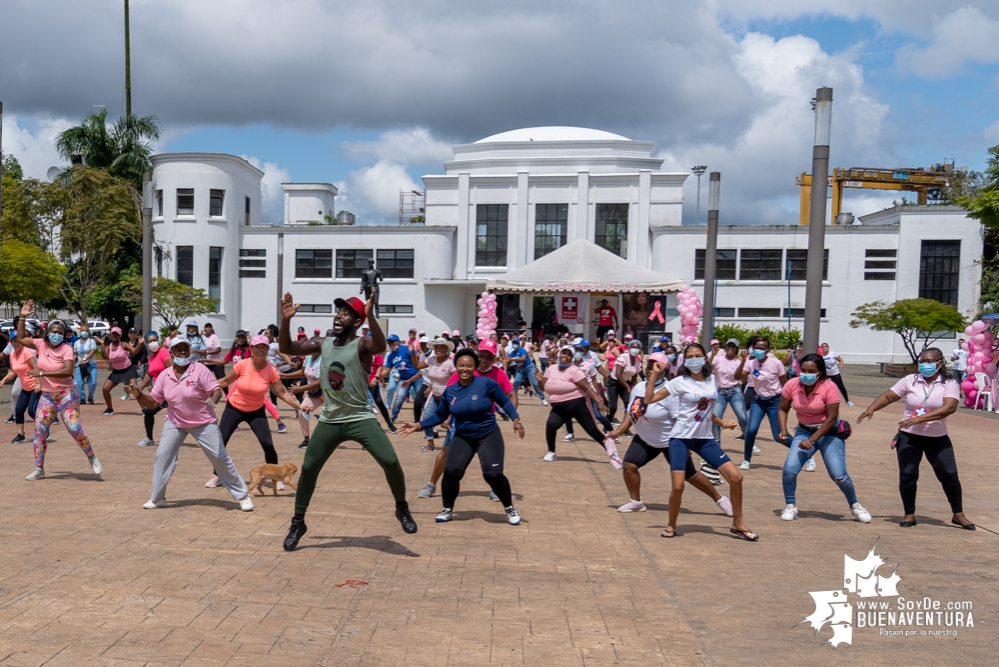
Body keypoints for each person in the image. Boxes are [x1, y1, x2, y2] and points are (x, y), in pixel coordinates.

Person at [278, 289, 418, 551]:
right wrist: (286, 319)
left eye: (347, 313)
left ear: (357, 322)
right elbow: (286, 347)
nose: (339, 315)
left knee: (390, 461)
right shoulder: (323, 344)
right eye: (339, 311)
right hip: (330, 420)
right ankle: (298, 522)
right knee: (308, 469)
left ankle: (402, 507)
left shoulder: (362, 345)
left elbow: (379, 346)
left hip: (360, 418)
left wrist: (370, 314)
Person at [643, 343, 757, 540]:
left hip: (705, 440)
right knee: (678, 486)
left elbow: (706, 408)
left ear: (705, 358)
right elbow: (649, 400)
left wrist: (722, 424)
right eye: (689, 356)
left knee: (736, 478)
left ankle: (737, 523)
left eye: (698, 355)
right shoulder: (679, 382)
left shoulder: (712, 379)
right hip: (680, 439)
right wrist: (654, 375)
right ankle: (671, 524)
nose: (694, 359)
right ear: (685, 360)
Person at [399, 349, 525, 525]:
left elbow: (504, 401)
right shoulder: (451, 390)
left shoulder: (486, 383)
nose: (465, 369)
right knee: (451, 472)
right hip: (463, 436)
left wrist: (516, 419)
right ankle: (447, 509)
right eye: (461, 365)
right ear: (455, 367)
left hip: (488, 435)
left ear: (474, 367)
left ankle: (509, 507)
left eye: (469, 366)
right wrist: (418, 425)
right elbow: (440, 416)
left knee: (493, 475)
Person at [130, 338, 254, 511]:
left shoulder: (200, 370)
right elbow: (153, 403)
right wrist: (138, 394)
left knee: (219, 457)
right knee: (163, 456)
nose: (182, 352)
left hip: (203, 421)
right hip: (176, 422)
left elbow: (216, 390)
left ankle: (243, 495)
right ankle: (158, 499)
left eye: (185, 349)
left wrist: (213, 398)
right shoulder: (165, 375)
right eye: (178, 349)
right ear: (171, 352)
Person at [857, 347, 973, 530]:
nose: (925, 365)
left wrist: (918, 419)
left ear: (939, 363)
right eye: (922, 361)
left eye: (929, 361)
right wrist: (871, 408)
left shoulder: (949, 382)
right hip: (910, 436)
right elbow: (889, 396)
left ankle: (958, 514)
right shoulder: (911, 380)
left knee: (949, 475)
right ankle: (909, 513)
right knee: (908, 474)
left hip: (937, 437)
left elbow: (949, 408)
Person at [612, 352, 734, 517]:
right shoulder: (640, 387)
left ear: (663, 369)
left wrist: (685, 443)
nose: (650, 369)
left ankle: (720, 499)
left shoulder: (671, 390)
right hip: (645, 438)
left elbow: (684, 417)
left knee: (690, 475)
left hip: (671, 440)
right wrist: (619, 431)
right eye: (648, 365)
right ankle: (636, 502)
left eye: (655, 366)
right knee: (629, 465)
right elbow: (632, 411)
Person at [777, 354, 871, 523]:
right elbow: (783, 409)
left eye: (811, 371)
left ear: (819, 372)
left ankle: (855, 505)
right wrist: (783, 429)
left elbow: (832, 418)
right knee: (789, 470)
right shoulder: (792, 384)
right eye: (803, 370)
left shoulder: (829, 387)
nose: (806, 374)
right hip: (804, 431)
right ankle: (790, 506)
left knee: (838, 475)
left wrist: (812, 440)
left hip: (829, 433)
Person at [417, 339, 516, 500]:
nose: (484, 360)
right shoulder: (466, 369)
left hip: (485, 424)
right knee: (446, 452)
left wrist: (514, 416)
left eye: (488, 357)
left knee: (490, 458)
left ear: (494, 359)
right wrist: (447, 417)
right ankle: (432, 484)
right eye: (481, 356)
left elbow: (510, 395)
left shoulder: (498, 374)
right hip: (459, 421)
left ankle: (495, 487)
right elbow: (449, 394)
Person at [15, 302, 102, 481]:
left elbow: (67, 371)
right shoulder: (40, 344)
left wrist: (42, 373)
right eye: (53, 332)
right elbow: (21, 337)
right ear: (47, 332)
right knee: (40, 430)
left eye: (60, 333)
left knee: (74, 428)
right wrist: (22, 317)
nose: (56, 335)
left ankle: (92, 457)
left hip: (66, 395)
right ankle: (39, 468)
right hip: (47, 396)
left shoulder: (67, 349)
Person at [212, 335, 305, 489]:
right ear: (252, 349)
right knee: (221, 441)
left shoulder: (271, 371)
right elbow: (224, 381)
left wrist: (298, 406)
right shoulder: (242, 365)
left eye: (264, 347)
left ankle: (277, 478)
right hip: (234, 408)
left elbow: (282, 393)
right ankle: (217, 475)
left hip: (256, 411)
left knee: (268, 444)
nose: (260, 350)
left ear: (268, 350)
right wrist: (203, 388)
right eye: (257, 347)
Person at [535, 345, 612, 462]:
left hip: (577, 405)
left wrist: (599, 402)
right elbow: (543, 388)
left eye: (569, 354)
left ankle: (612, 453)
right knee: (551, 425)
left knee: (593, 431)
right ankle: (552, 452)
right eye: (563, 353)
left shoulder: (575, 370)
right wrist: (540, 381)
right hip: (559, 408)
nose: (565, 356)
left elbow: (588, 388)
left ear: (571, 358)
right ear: (559, 354)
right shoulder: (551, 369)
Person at [738, 336, 788, 470]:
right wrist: (742, 362)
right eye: (756, 348)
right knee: (751, 430)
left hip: (775, 401)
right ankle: (746, 460)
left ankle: (805, 449)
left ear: (767, 350)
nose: (758, 350)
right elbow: (738, 377)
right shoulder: (751, 362)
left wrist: (787, 402)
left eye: (762, 348)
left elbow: (785, 384)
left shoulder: (775, 363)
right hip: (758, 400)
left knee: (778, 436)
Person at [413, 337, 456, 451]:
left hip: (447, 398)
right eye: (437, 347)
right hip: (435, 396)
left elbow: (456, 380)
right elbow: (417, 365)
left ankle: (450, 445)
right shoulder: (431, 360)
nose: (439, 349)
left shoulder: (450, 363)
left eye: (442, 347)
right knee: (427, 417)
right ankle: (430, 443)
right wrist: (412, 352)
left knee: (448, 423)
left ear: (447, 349)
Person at [281, 340, 324, 449]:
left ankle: (363, 438)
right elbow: (303, 373)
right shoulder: (308, 358)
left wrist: (300, 388)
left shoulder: (323, 360)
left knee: (342, 418)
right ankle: (307, 439)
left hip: (327, 393)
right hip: (313, 394)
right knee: (302, 412)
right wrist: (285, 376)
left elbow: (319, 382)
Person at [0, 333, 39, 443]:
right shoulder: (12, 355)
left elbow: (36, 367)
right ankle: (21, 435)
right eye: (14, 341)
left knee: (32, 411)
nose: (16, 343)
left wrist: (37, 384)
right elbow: (13, 372)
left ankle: (44, 429)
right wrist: (3, 380)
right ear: (11, 343)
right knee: (19, 410)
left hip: (35, 387)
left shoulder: (27, 352)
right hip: (25, 387)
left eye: (18, 341)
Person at [136, 332, 172, 447]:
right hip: (161, 393)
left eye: (154, 339)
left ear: (159, 340)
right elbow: (149, 374)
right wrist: (140, 388)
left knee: (182, 414)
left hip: (170, 391)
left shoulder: (164, 352)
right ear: (147, 344)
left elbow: (173, 369)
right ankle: (149, 438)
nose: (153, 343)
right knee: (149, 411)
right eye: (150, 341)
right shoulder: (151, 358)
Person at [710, 339, 748, 443]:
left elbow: (739, 378)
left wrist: (744, 361)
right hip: (720, 392)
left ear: (736, 349)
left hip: (734, 391)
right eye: (729, 346)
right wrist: (712, 355)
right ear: (725, 347)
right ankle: (715, 446)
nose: (731, 348)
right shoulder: (718, 359)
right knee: (716, 420)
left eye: (733, 346)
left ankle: (749, 442)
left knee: (743, 417)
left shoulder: (738, 362)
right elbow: (707, 369)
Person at [100, 326, 140, 415]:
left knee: (135, 389)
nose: (114, 336)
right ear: (111, 335)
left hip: (128, 369)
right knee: (105, 389)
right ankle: (110, 409)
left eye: (116, 334)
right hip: (116, 371)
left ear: (120, 336)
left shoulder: (123, 344)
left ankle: (144, 409)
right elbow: (104, 356)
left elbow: (134, 351)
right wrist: (102, 344)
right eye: (113, 334)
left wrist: (139, 343)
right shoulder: (108, 347)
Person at [383, 334, 423, 422]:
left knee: (421, 398)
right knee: (400, 397)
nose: (390, 344)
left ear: (397, 342)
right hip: (404, 379)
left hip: (416, 377)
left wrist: (415, 352)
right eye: (389, 342)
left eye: (392, 342)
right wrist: (378, 375)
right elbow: (387, 369)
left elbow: (418, 356)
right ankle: (393, 416)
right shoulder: (391, 356)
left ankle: (424, 419)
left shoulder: (405, 349)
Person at [607, 338, 642, 425]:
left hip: (625, 383)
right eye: (633, 347)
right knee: (613, 407)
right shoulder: (623, 358)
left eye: (637, 348)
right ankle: (607, 423)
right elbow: (618, 374)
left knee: (628, 405)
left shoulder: (638, 363)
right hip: (613, 382)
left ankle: (625, 427)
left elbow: (634, 379)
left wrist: (638, 389)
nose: (635, 350)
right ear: (629, 348)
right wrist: (627, 387)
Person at [508, 338, 546, 404]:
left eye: (516, 343)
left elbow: (523, 359)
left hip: (529, 368)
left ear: (518, 344)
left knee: (535, 383)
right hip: (520, 370)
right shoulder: (512, 353)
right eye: (513, 343)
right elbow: (508, 359)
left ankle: (542, 398)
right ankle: (513, 398)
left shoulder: (522, 350)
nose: (514, 344)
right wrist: (506, 360)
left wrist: (513, 358)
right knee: (516, 383)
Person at [367, 348, 396, 433]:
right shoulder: (362, 353)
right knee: (364, 405)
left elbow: (380, 367)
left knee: (379, 401)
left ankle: (390, 424)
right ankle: (370, 426)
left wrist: (376, 378)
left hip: (373, 381)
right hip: (362, 381)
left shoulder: (377, 353)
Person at [120, 328, 149, 401]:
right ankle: (126, 394)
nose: (133, 335)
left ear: (136, 334)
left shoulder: (139, 343)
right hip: (129, 365)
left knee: (145, 379)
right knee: (126, 379)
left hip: (140, 364)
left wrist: (141, 362)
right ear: (128, 334)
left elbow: (145, 353)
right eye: (131, 333)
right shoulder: (125, 344)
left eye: (134, 333)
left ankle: (153, 394)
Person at [73, 325, 98, 405]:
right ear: (80, 332)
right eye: (83, 330)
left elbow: (92, 352)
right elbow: (75, 354)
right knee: (79, 382)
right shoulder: (76, 343)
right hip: (80, 365)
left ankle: (90, 397)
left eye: (86, 331)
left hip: (91, 364)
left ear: (88, 332)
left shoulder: (91, 341)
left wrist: (85, 359)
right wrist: (72, 362)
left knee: (93, 382)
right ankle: (82, 398)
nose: (84, 332)